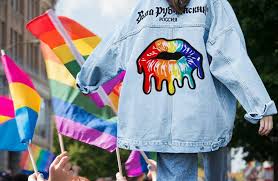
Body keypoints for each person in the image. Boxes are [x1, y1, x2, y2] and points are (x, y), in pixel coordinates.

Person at [76, 0, 277, 180]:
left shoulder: (145, 6)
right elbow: (230, 55)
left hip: (160, 120)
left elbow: (116, 44)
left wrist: (86, 78)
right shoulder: (212, 4)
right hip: (207, 115)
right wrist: (259, 103)